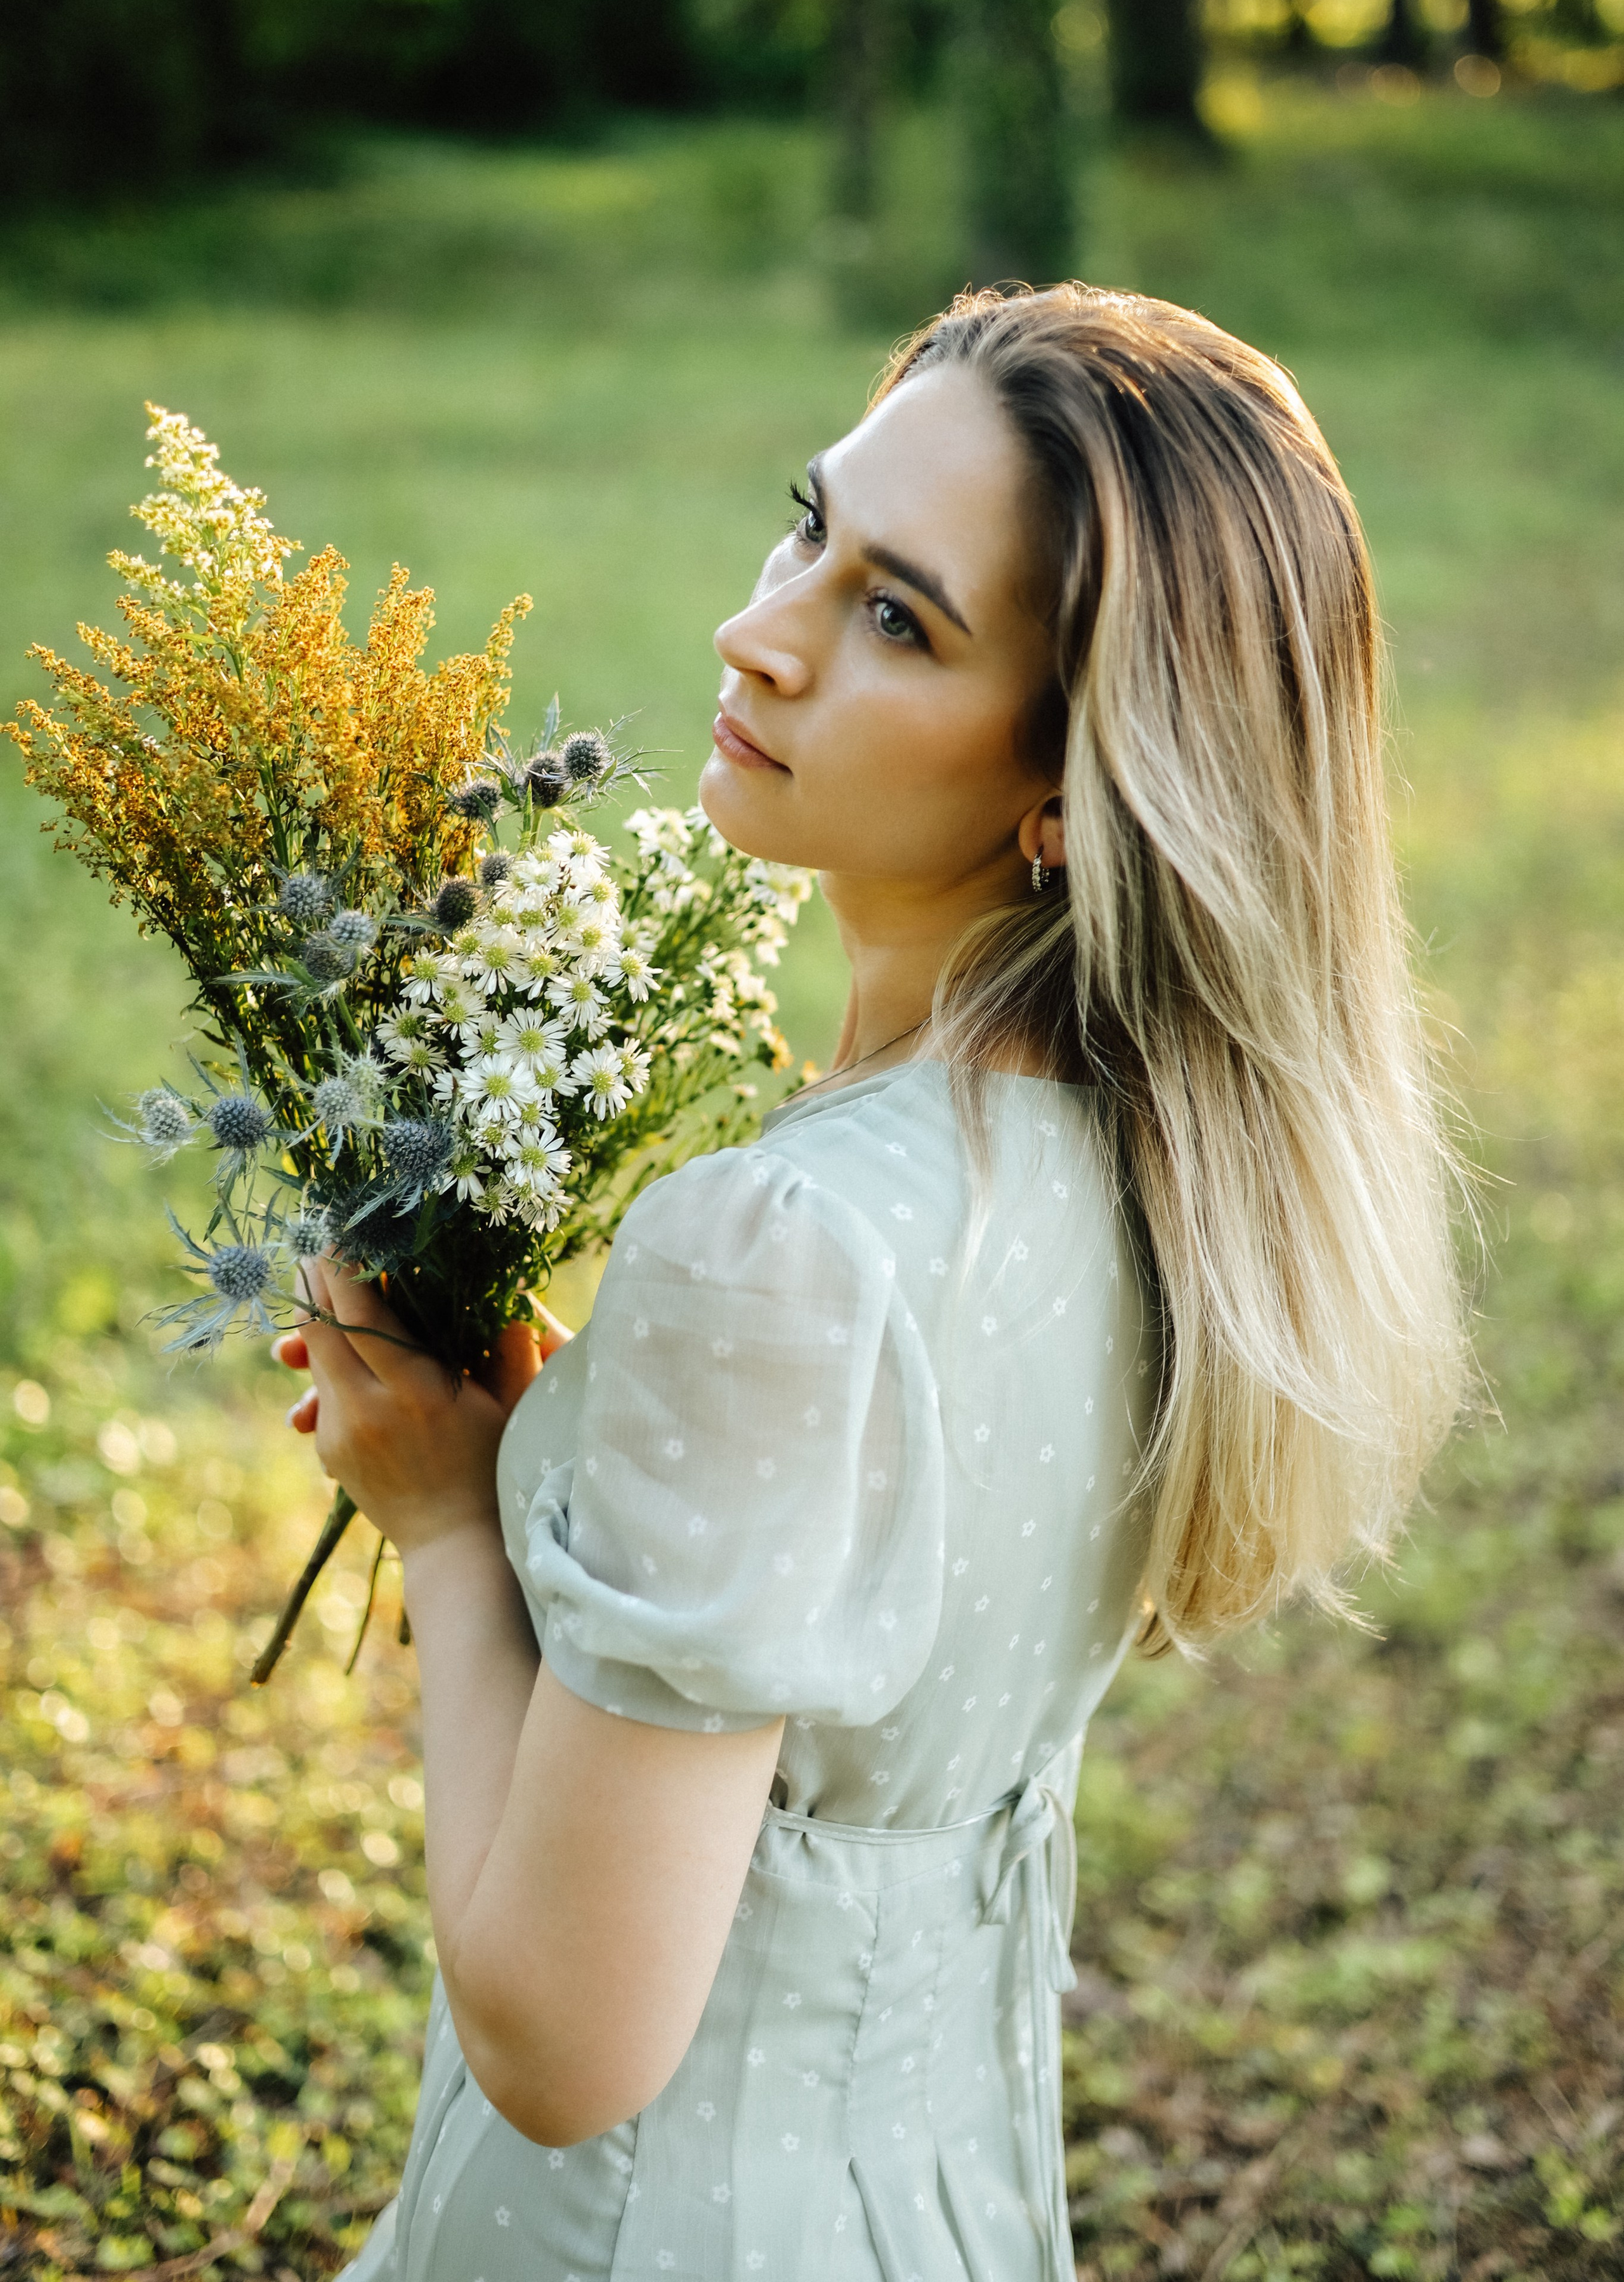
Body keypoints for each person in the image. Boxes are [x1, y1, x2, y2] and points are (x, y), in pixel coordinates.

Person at [273, 285, 1465, 2282]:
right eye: (804, 527)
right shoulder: (1172, 1177)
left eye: (897, 615)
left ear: (1075, 790)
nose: (766, 631)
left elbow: (566, 2044)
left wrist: (452, 1528)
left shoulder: (783, 1249)